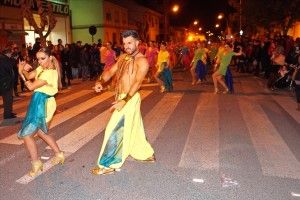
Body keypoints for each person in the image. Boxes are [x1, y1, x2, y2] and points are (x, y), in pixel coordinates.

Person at [91, 30, 155, 175]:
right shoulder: (122, 57)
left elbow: (138, 82)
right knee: (134, 127)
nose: (127, 46)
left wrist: (124, 101)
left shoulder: (142, 61)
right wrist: (99, 81)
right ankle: (145, 153)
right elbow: (110, 72)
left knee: (114, 129)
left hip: (129, 98)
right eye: (125, 43)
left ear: (138, 43)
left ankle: (108, 165)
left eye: (130, 43)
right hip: (120, 96)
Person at [17, 47, 64, 177]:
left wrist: (20, 72)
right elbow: (30, 76)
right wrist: (24, 70)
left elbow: (31, 86)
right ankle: (59, 154)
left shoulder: (50, 72)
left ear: (50, 57)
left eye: (43, 58)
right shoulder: (41, 69)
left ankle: (36, 163)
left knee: (27, 135)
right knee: (42, 133)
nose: (40, 61)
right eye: (38, 59)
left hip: (44, 104)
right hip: (39, 102)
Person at [0, 46, 16, 119]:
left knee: (8, 99)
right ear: (8, 53)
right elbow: (10, 67)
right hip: (5, 82)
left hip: (5, 81)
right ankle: (7, 115)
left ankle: (9, 113)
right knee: (8, 99)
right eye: (10, 53)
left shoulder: (3, 58)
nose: (11, 55)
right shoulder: (4, 59)